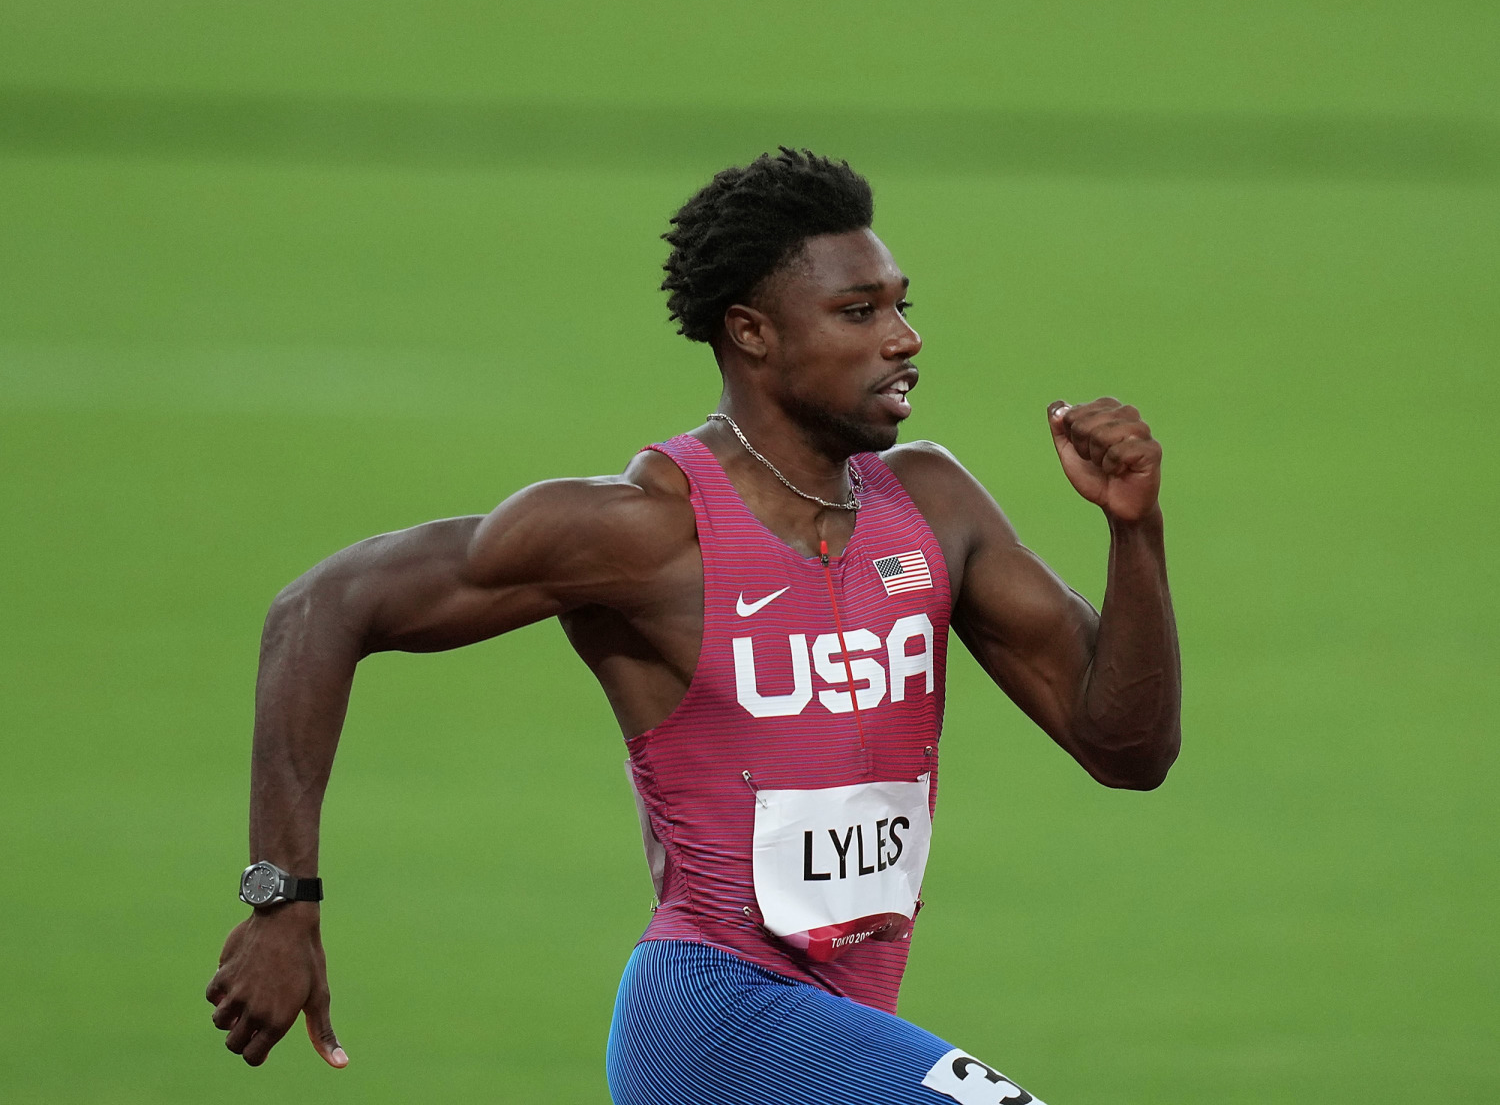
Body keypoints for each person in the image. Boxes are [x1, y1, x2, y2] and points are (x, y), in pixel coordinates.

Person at [206, 147, 1180, 1104]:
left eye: (899, 304)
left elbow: (1127, 746)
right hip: (715, 1021)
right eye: (859, 311)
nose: (903, 337)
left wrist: (1134, 530)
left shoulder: (933, 505)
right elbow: (319, 607)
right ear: (753, 332)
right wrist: (280, 898)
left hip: (844, 1019)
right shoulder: (647, 533)